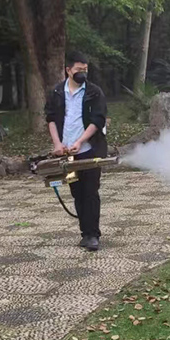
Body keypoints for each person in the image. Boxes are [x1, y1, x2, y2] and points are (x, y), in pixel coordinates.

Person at [45, 51, 108, 251]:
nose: (83, 73)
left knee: (91, 191)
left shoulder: (94, 92)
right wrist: (57, 144)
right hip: (67, 154)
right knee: (77, 192)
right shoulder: (57, 92)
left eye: (85, 70)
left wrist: (81, 141)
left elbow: (98, 120)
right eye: (79, 69)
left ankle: (93, 235)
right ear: (68, 70)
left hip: (89, 151)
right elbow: (51, 119)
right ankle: (84, 232)